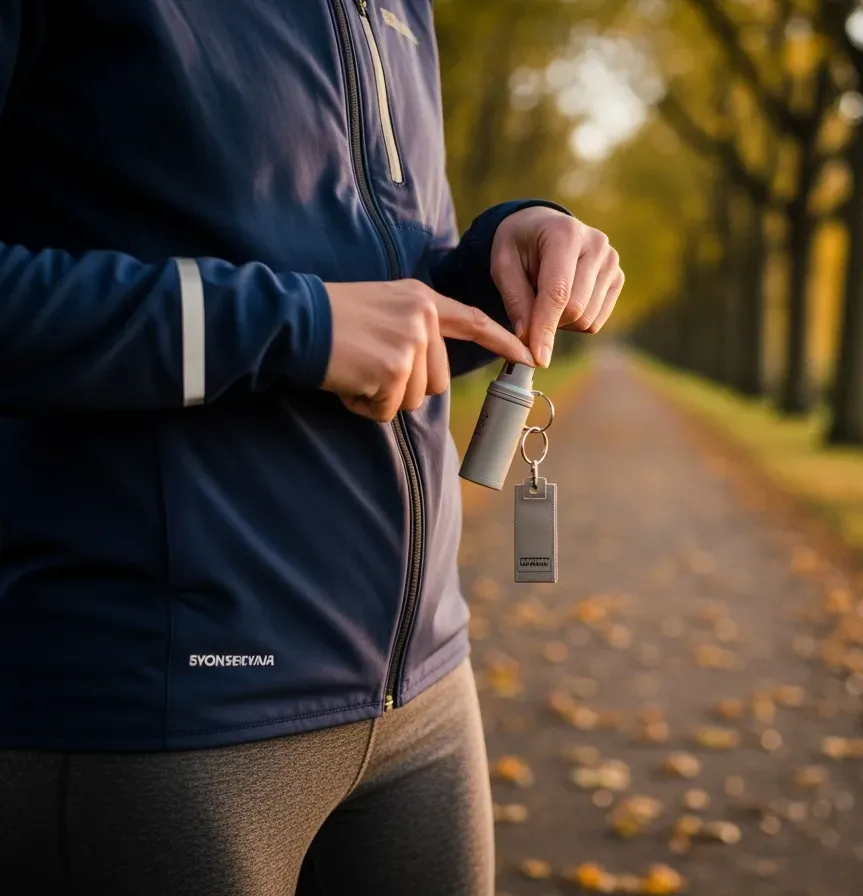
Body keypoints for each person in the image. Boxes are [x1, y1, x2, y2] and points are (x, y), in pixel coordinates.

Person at [0, 2, 622, 894]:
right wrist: (292, 324)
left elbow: (384, 292)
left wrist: (496, 257)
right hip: (172, 705)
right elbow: (310, 317)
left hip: (427, 688)